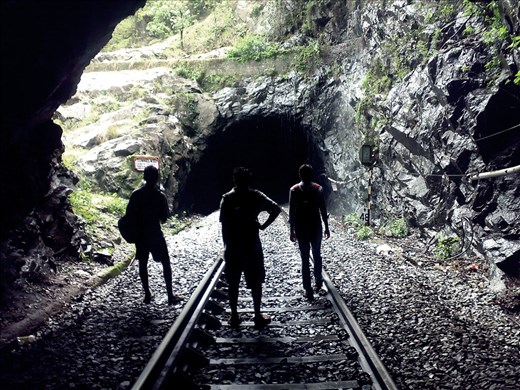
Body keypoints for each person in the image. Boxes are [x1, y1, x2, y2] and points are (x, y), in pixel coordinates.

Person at [219, 167, 281, 329]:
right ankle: (257, 314)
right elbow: (276, 209)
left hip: (233, 246)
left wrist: (226, 247)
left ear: (234, 180)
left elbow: (224, 226)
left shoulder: (227, 199)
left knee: (233, 282)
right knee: (255, 281)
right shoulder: (255, 196)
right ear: (249, 180)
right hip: (251, 244)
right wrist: (263, 226)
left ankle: (234, 316)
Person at [126, 165, 178, 305]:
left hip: (141, 235)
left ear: (144, 177)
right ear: (156, 178)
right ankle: (170, 295)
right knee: (165, 262)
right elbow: (164, 218)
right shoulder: (159, 196)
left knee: (143, 263)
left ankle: (147, 294)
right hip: (155, 233)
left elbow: (129, 215)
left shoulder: (136, 195)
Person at [289, 164, 330, 301]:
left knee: (305, 258)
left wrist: (292, 230)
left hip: (301, 228)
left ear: (300, 175)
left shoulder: (294, 190)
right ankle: (318, 279)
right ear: (311, 174)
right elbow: (323, 210)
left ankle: (308, 289)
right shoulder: (318, 189)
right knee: (317, 254)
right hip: (315, 226)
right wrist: (326, 227)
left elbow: (292, 212)